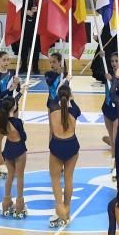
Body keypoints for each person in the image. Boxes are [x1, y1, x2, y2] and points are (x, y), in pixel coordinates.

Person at [47, 82, 81, 227]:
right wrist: (71, 99)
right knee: (68, 178)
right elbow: (77, 109)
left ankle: (59, 207)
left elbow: (53, 100)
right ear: (69, 97)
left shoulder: (52, 108)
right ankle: (66, 208)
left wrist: (63, 82)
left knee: (55, 179)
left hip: (57, 145)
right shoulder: (74, 111)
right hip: (72, 145)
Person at [0, 96, 28, 218]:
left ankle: (6, 201)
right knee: (20, 176)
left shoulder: (3, 121)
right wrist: (22, 126)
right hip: (19, 149)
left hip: (8, 149)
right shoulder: (17, 122)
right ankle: (19, 203)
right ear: (13, 107)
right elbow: (24, 137)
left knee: (10, 175)